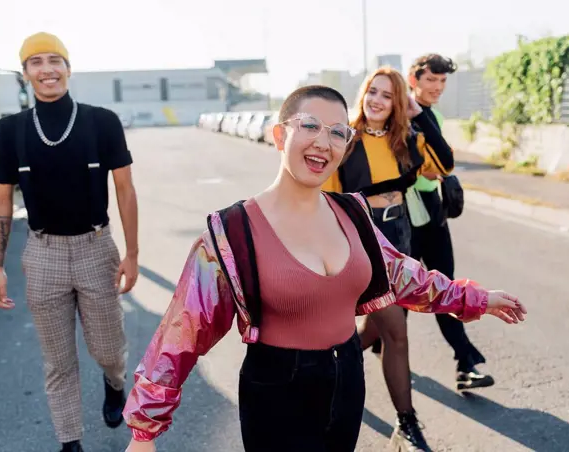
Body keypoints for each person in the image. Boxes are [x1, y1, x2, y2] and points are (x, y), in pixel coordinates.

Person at [122, 85, 526, 452]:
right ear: (280, 135)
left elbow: (406, 276)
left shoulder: (353, 214)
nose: (323, 142)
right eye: (310, 125)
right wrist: (144, 431)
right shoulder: (232, 232)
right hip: (276, 388)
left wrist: (476, 299)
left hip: (346, 376)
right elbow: (181, 331)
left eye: (337, 132)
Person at [0, 32, 139, 452]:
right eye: (36, 62)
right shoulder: (10, 130)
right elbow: (1, 201)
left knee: (108, 349)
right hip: (43, 253)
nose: (47, 69)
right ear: (25, 74)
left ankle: (114, 382)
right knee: (58, 361)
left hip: (96, 248)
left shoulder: (100, 121)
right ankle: (69, 441)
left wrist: (132, 253)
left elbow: (125, 189)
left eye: (55, 60)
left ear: (68, 68)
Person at [321, 66, 455, 451]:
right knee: (396, 329)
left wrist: (419, 114)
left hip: (402, 234)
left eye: (387, 95)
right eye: (372, 92)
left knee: (382, 325)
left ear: (399, 103)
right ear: (363, 94)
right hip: (362, 237)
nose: (377, 101)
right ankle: (407, 424)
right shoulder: (344, 140)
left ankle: (328, 365)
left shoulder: (406, 140)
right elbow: (326, 200)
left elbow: (443, 166)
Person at [407, 54, 494, 391]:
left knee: (445, 284)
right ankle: (373, 343)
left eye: (442, 82)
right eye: (431, 80)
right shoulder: (399, 115)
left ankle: (466, 364)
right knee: (395, 296)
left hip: (432, 208)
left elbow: (441, 165)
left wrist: (434, 170)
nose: (438, 88)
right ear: (413, 80)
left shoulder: (436, 116)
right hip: (402, 211)